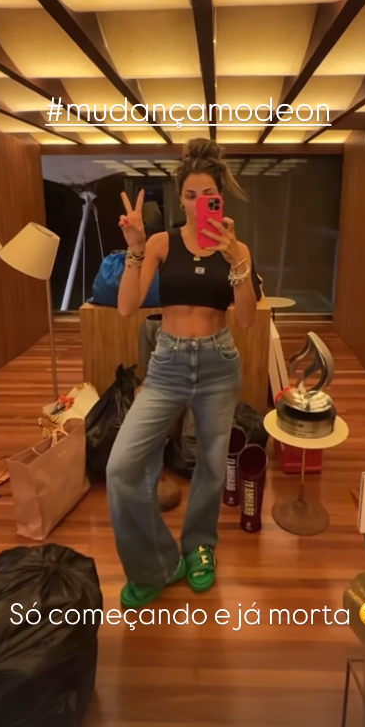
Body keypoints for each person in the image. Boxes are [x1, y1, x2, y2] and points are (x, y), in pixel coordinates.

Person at [106, 139, 260, 608]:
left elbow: (247, 319)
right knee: (122, 467)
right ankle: (157, 563)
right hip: (168, 364)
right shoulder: (160, 243)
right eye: (190, 196)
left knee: (211, 466)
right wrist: (134, 248)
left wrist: (237, 263)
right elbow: (127, 307)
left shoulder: (237, 250)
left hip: (218, 364)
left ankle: (199, 547)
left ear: (220, 199)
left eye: (207, 195)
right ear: (181, 198)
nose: (198, 205)